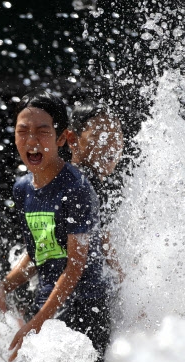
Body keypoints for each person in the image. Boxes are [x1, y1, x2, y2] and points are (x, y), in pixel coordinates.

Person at [0, 90, 111, 362]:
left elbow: (74, 267)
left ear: (61, 138)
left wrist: (35, 324)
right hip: (48, 308)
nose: (31, 141)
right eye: (23, 132)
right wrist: (3, 287)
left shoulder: (77, 188)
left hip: (85, 311)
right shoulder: (23, 189)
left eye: (42, 132)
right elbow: (40, 251)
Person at [65, 100, 125, 284]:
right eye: (101, 136)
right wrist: (126, 280)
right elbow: (105, 243)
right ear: (72, 140)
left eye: (117, 137)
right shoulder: (84, 183)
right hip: (84, 297)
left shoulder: (67, 179)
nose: (112, 146)